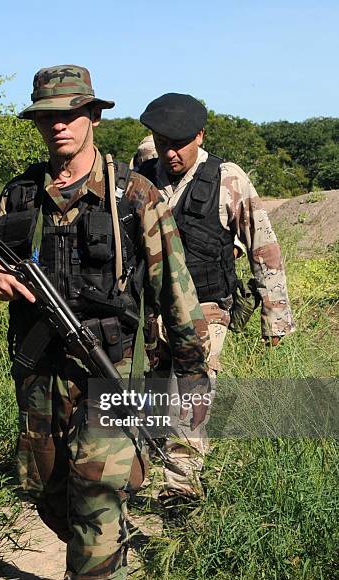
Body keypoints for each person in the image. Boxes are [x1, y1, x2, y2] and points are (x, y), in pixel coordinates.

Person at [0, 67, 209, 580]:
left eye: (71, 114)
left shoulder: (133, 194)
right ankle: (92, 562)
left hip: (113, 367)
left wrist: (189, 374)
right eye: (48, 117)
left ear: (94, 117)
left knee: (98, 490)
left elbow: (176, 288)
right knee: (46, 487)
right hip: (40, 372)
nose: (59, 126)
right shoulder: (20, 194)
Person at [135, 93, 296, 503]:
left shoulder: (228, 178)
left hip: (207, 308)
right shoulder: (141, 179)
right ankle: (153, 468)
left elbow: (263, 245)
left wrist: (275, 315)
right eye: (163, 142)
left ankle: (181, 489)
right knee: (154, 397)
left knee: (189, 392)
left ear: (200, 135)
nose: (171, 152)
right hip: (151, 312)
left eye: (180, 142)